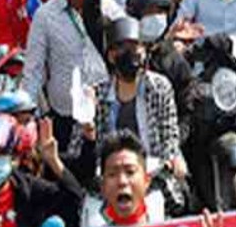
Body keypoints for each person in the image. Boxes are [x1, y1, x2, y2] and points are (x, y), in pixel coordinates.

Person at [23, 0, 125, 152]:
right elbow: (33, 72)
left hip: (106, 118)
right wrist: (27, 118)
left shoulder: (109, 8)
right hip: (66, 121)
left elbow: (128, 48)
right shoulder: (45, 17)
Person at [79, 17, 186, 211]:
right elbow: (82, 151)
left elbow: (170, 139)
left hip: (152, 175)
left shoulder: (159, 87)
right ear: (111, 56)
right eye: (122, 48)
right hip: (109, 180)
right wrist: (87, 124)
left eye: (135, 46)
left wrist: (171, 161)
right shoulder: (97, 95)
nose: (130, 53)